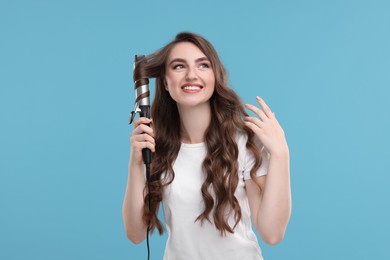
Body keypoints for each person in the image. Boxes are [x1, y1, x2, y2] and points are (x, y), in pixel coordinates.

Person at [122, 32, 291, 260]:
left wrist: (281, 154)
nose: (192, 75)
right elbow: (135, 233)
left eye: (203, 65)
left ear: (215, 76)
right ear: (165, 81)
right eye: (179, 66)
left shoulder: (243, 141)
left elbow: (272, 233)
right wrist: (136, 163)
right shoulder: (157, 147)